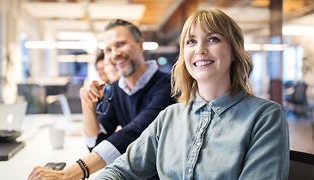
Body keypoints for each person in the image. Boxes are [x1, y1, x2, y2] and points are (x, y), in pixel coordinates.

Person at [96, 9, 290, 179]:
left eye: (213, 39)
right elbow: (121, 170)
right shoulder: (169, 117)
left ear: (233, 52)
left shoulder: (266, 117)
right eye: (191, 41)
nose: (200, 49)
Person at [28, 19, 175, 180]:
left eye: (120, 44)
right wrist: (87, 103)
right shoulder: (116, 90)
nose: (115, 54)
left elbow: (134, 134)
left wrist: (70, 173)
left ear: (140, 45)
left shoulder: (168, 85)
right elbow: (96, 145)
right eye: (108, 49)